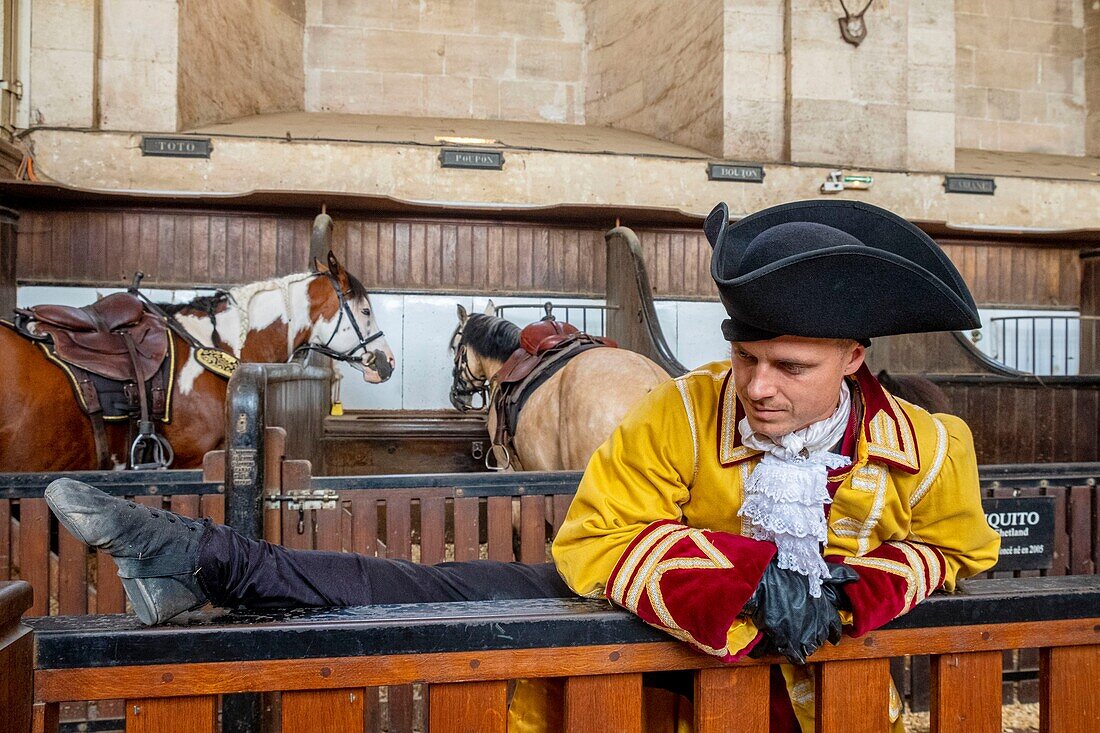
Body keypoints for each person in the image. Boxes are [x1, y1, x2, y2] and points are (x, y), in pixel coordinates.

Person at [46, 200, 1000, 732]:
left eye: (788, 368)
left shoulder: (929, 448)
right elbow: (595, 539)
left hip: (817, 713)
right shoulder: (682, 408)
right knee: (423, 587)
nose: (753, 386)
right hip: (656, 680)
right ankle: (198, 557)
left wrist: (841, 597)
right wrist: (753, 584)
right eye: (746, 357)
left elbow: (957, 549)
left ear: (853, 362)